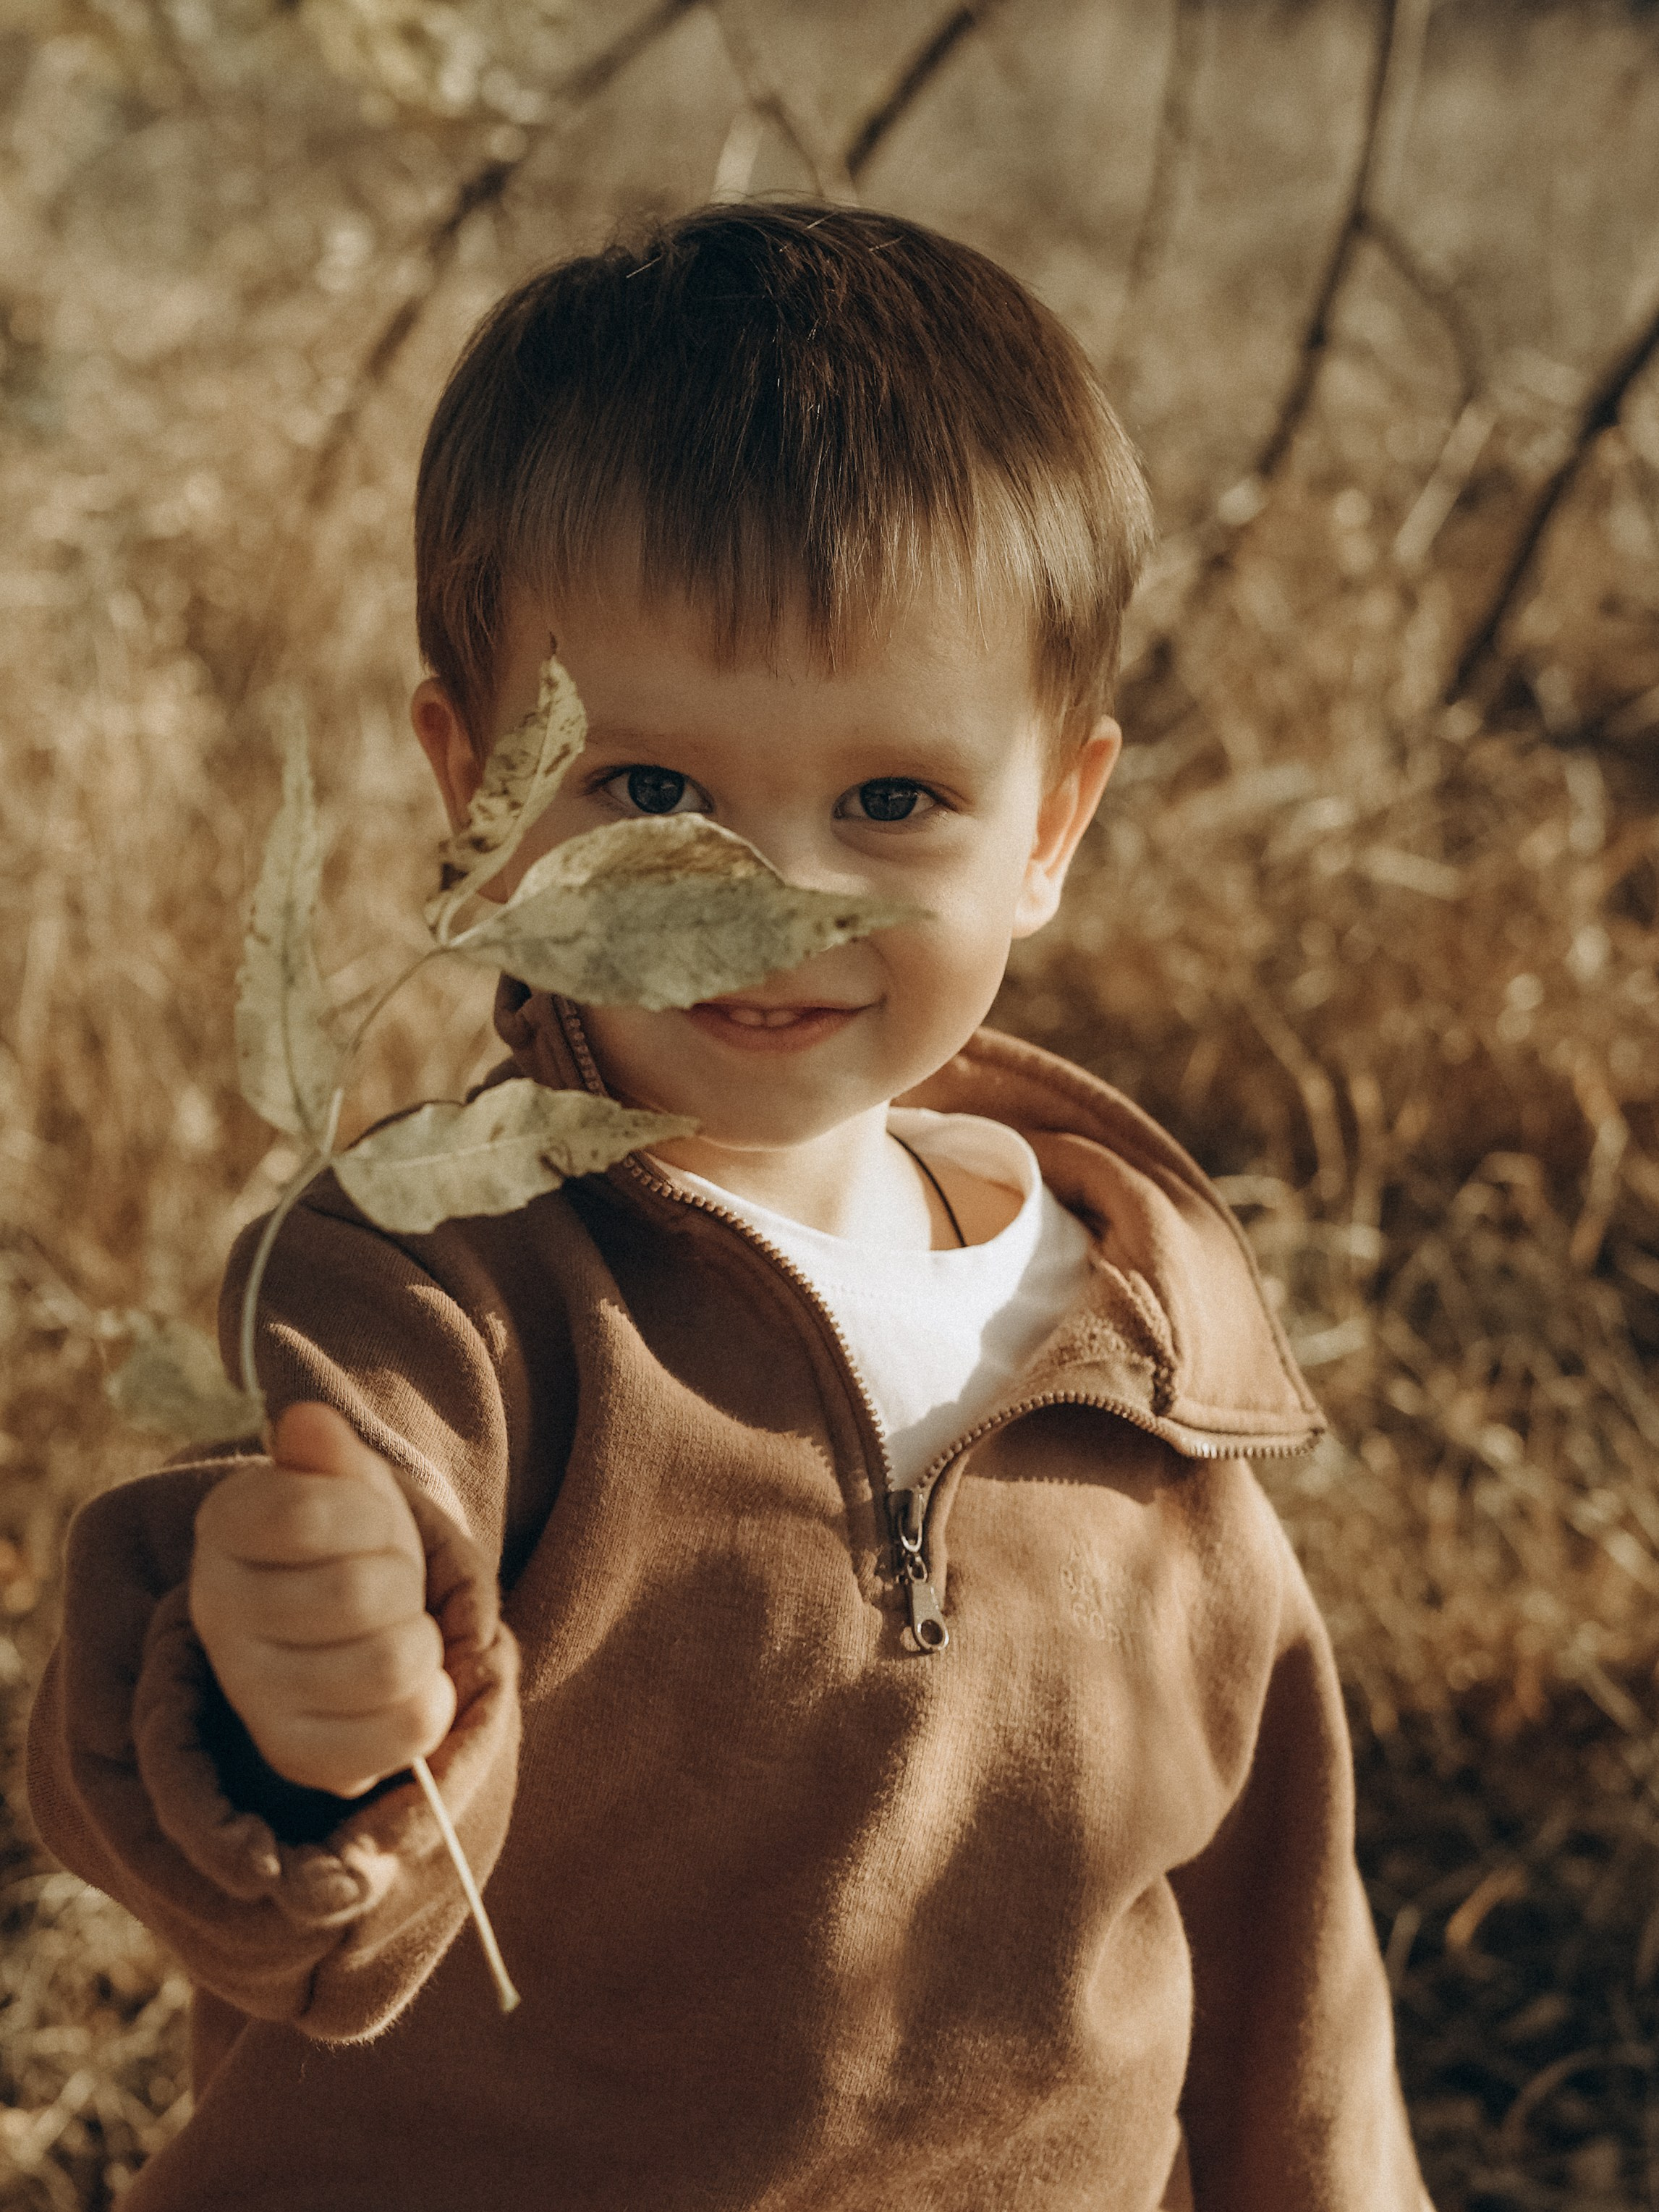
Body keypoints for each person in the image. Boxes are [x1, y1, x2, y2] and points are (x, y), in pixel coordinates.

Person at [28, 201, 1432, 2211]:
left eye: (889, 802)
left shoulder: (1145, 1380)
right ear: (480, 793)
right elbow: (278, 1856)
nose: (762, 893)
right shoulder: (439, 1295)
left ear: (1050, 826)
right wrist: (300, 1697)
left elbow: (1300, 2002)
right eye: (656, 792)